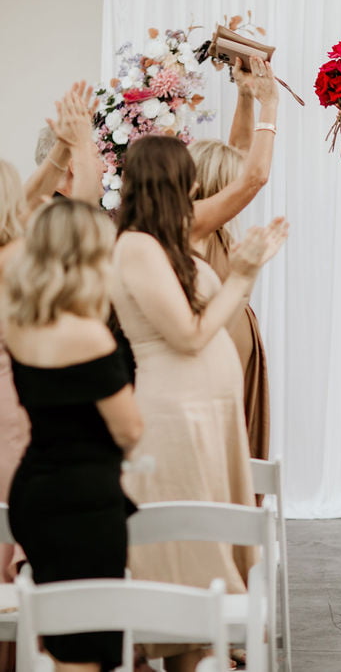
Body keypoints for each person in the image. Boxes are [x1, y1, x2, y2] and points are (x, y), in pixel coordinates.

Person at [109, 134, 287, 672]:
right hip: (175, 417)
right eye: (187, 176)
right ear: (171, 181)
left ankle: (199, 656)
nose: (195, 186)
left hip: (207, 415)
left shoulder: (168, 244)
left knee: (203, 547)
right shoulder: (136, 247)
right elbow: (188, 336)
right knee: (185, 551)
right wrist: (244, 275)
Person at [3, 198, 143, 672]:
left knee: (64, 644)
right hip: (82, 503)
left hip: (35, 493)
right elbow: (130, 429)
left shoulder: (19, 325)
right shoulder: (89, 335)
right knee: (87, 653)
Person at [189, 56, 279, 460]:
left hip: (233, 349)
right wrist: (269, 104)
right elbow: (253, 175)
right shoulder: (196, 223)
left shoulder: (212, 222)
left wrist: (244, 93)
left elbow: (239, 153)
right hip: (213, 356)